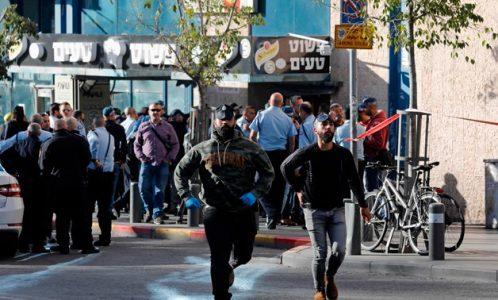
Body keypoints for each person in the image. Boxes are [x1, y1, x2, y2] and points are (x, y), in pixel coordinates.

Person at [174, 104, 274, 300]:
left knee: (244, 254)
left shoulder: (250, 147)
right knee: (218, 256)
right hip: (215, 210)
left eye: (229, 119)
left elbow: (268, 174)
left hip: (243, 209)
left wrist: (256, 193)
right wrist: (185, 195)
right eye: (221, 119)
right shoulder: (201, 149)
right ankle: (220, 294)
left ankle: (232, 266)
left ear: (234, 120)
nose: (225, 122)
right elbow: (180, 171)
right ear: (215, 121)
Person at [281, 113, 371, 300]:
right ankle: (319, 290)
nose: (328, 127)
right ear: (316, 130)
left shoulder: (342, 154)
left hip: (337, 209)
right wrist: (298, 189)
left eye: (331, 124)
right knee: (320, 253)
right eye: (324, 125)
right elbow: (285, 167)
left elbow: (354, 180)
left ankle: (329, 276)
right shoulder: (307, 152)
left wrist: (363, 205)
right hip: (313, 210)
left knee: (339, 251)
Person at [39, 118, 97, 254]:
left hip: (58, 184)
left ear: (54, 128)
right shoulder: (79, 140)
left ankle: (63, 245)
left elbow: (43, 166)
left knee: (62, 216)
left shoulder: (48, 143)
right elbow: (87, 159)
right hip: (78, 182)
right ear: (67, 127)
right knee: (81, 216)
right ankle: (86, 245)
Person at [249, 92, 297, 229]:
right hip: (281, 154)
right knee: (279, 186)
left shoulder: (261, 115)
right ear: (282, 104)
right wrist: (289, 155)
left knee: (259, 184)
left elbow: (252, 136)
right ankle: (273, 215)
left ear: (269, 101)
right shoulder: (287, 119)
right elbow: (292, 140)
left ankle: (271, 214)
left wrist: (257, 150)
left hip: (264, 154)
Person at [134, 102, 180, 224]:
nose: (155, 112)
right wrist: (141, 157)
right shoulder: (143, 126)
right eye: (153, 110)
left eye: (158, 110)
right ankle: (149, 210)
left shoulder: (168, 127)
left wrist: (169, 158)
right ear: (149, 112)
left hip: (162, 163)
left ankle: (157, 213)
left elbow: (176, 144)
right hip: (147, 163)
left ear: (162, 112)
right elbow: (137, 145)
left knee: (159, 190)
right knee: (143, 189)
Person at [15, 123, 48, 253]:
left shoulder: (20, 144)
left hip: (24, 183)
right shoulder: (40, 146)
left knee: (26, 214)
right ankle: (37, 244)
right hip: (37, 184)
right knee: (38, 215)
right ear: (39, 133)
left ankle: (23, 243)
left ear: (27, 132)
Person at [87, 116, 115, 246]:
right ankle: (106, 236)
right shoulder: (110, 136)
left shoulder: (93, 134)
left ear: (94, 124)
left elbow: (93, 147)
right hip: (108, 174)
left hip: (95, 174)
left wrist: (94, 159)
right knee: (105, 208)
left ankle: (87, 235)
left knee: (89, 206)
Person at [102, 106, 128, 217]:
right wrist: (122, 159)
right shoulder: (119, 128)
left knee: (104, 187)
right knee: (113, 187)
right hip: (116, 160)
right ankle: (110, 208)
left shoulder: (100, 128)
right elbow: (124, 145)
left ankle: (105, 208)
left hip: (103, 161)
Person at [362, 97, 390, 191]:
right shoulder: (375, 120)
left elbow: (379, 144)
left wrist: (364, 140)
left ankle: (373, 205)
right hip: (374, 159)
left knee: (372, 188)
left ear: (372, 107)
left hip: (374, 159)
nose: (363, 110)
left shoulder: (378, 122)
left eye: (365, 108)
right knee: (375, 186)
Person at [334, 107, 367, 187]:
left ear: (345, 115)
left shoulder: (339, 130)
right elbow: (365, 143)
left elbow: (335, 145)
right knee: (358, 185)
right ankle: (359, 199)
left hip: (345, 161)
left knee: (345, 185)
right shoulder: (363, 129)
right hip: (359, 161)